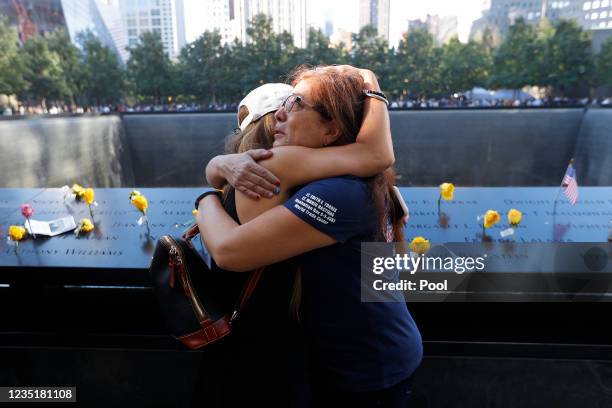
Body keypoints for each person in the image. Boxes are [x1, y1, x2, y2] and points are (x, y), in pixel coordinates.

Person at [197, 65, 422, 407]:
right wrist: (220, 165)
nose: (282, 113)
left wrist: (205, 199)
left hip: (370, 369)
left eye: (297, 103)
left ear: (332, 129)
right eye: (284, 102)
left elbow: (230, 252)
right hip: (344, 355)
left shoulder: (341, 192)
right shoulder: (345, 176)